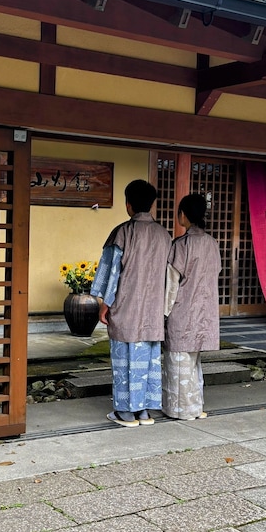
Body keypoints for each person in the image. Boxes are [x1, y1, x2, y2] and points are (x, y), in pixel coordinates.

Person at [90, 179, 172, 427]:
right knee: (148, 359)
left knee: (124, 360)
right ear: (152, 203)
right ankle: (144, 411)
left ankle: (125, 413)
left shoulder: (122, 232)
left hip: (126, 306)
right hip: (152, 310)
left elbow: (112, 271)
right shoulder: (164, 235)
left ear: (128, 204)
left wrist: (105, 302)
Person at [162, 193, 221, 420]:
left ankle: (181, 410)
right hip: (205, 313)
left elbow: (171, 285)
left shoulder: (181, 245)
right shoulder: (212, 244)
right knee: (194, 365)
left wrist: (164, 313)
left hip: (183, 312)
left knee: (178, 365)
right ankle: (196, 407)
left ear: (183, 215)